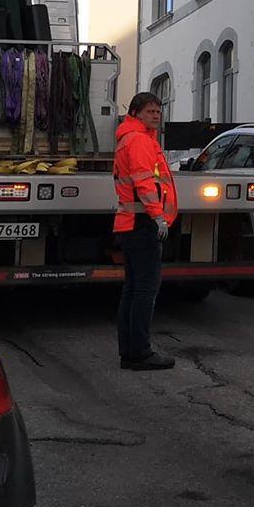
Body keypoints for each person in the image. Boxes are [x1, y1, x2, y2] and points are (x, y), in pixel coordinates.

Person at [113, 91, 179, 370]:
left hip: (131, 224)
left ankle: (130, 351)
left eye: (158, 111)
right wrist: (158, 218)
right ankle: (140, 352)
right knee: (144, 291)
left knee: (133, 290)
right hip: (143, 225)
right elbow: (144, 182)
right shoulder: (139, 140)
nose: (156, 115)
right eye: (151, 111)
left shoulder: (130, 138)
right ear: (136, 113)